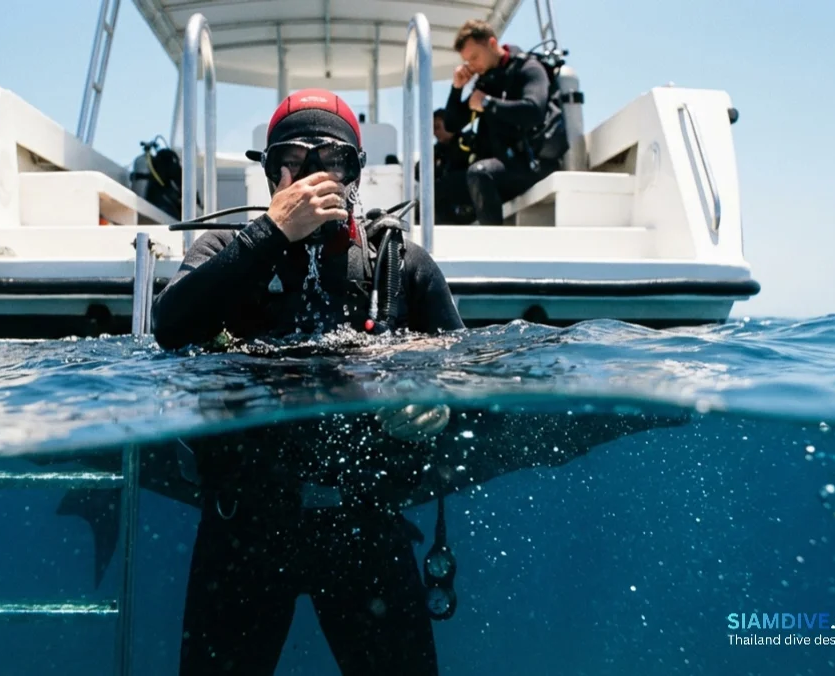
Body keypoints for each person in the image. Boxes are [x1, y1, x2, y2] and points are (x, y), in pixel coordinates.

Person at [153, 87, 465, 676]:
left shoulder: (399, 266)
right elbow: (170, 327)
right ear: (271, 172)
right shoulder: (228, 250)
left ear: (356, 174)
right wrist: (269, 234)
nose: (313, 176)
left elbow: (466, 377)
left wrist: (436, 407)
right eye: (293, 160)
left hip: (364, 529)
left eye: (334, 160)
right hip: (243, 532)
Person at [442, 19, 564, 225]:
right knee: (442, 188)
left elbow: (534, 111)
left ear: (491, 43)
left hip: (529, 164)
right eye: (467, 61)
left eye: (475, 57)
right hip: (498, 168)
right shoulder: (487, 81)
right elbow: (452, 125)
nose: (472, 66)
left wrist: (488, 103)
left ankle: (494, 252)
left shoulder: (528, 68)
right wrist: (457, 88)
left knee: (480, 174)